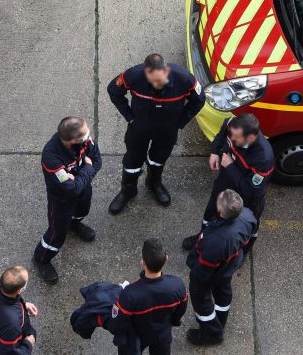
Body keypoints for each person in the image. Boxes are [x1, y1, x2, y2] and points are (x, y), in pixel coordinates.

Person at [107, 53, 206, 213]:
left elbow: (199, 99)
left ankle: (153, 183)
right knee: (132, 161)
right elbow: (113, 90)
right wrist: (129, 116)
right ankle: (128, 190)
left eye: (160, 80)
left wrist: (180, 122)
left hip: (167, 131)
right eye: (153, 81)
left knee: (158, 159)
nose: (157, 84)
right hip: (139, 128)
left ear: (166, 71)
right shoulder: (133, 75)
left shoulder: (184, 78)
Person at [181, 113, 272, 252]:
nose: (232, 138)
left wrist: (230, 166)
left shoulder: (263, 158)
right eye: (232, 134)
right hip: (225, 180)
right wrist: (214, 151)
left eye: (236, 137)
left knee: (247, 224)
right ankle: (203, 237)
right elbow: (221, 135)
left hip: (248, 196)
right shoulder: (232, 124)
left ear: (251, 137)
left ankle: (241, 251)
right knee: (211, 211)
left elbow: (250, 190)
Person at [32, 116, 102, 284]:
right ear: (72, 140)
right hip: (61, 200)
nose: (89, 138)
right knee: (56, 234)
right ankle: (41, 258)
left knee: (83, 210)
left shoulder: (84, 141)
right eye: (85, 136)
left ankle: (74, 224)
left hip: (83, 190)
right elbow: (71, 189)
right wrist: (88, 168)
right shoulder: (51, 157)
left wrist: (80, 177)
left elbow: (98, 160)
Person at [185, 189, 257, 346]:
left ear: (220, 211)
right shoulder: (247, 215)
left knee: (201, 300)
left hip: (213, 271)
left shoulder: (216, 241)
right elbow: (251, 238)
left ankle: (212, 333)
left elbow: (204, 271)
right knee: (223, 291)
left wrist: (196, 280)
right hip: (230, 265)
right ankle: (221, 319)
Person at [108, 239, 188, 354]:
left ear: (143, 262)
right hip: (162, 333)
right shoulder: (178, 285)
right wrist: (173, 321)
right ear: (166, 258)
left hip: (137, 334)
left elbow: (117, 322)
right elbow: (181, 310)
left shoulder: (129, 294)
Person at [0, 266, 38, 354]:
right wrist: (28, 344)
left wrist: (23, 305)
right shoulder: (12, 325)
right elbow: (10, 352)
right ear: (20, 291)